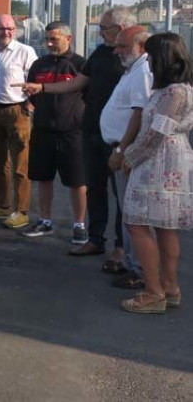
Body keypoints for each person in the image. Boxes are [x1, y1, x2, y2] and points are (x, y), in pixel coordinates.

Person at [16, 7, 136, 269]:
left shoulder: (137, 61)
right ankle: (95, 238)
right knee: (94, 187)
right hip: (92, 132)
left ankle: (120, 247)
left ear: (122, 29)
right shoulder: (101, 54)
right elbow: (78, 84)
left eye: (105, 29)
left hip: (115, 138)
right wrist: (43, 88)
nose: (101, 33)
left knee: (120, 194)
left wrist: (127, 142)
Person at [119, 32, 193, 314]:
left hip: (159, 164)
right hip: (170, 162)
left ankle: (153, 291)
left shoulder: (174, 93)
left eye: (151, 56)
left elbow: (155, 134)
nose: (148, 61)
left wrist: (129, 157)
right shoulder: (176, 89)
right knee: (165, 226)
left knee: (137, 224)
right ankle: (169, 288)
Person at [22, 21, 88, 244]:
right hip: (43, 130)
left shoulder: (80, 65)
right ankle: (45, 220)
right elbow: (32, 96)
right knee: (43, 178)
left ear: (68, 39)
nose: (49, 43)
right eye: (47, 39)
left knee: (77, 181)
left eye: (54, 39)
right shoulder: (39, 65)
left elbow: (89, 96)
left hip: (73, 132)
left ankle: (79, 225)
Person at [99, 26, 152, 286]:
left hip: (127, 151)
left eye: (123, 46)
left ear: (141, 46)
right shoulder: (132, 70)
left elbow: (138, 113)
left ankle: (141, 270)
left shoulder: (143, 71)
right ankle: (134, 264)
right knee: (129, 211)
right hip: (122, 148)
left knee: (135, 215)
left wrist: (122, 150)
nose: (117, 51)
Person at [0, 14, 37, 229]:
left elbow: (35, 80)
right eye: (2, 29)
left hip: (17, 110)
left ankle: (21, 211)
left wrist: (30, 105)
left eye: (10, 28)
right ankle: (2, 205)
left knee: (21, 163)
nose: (7, 32)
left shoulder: (25, 52)